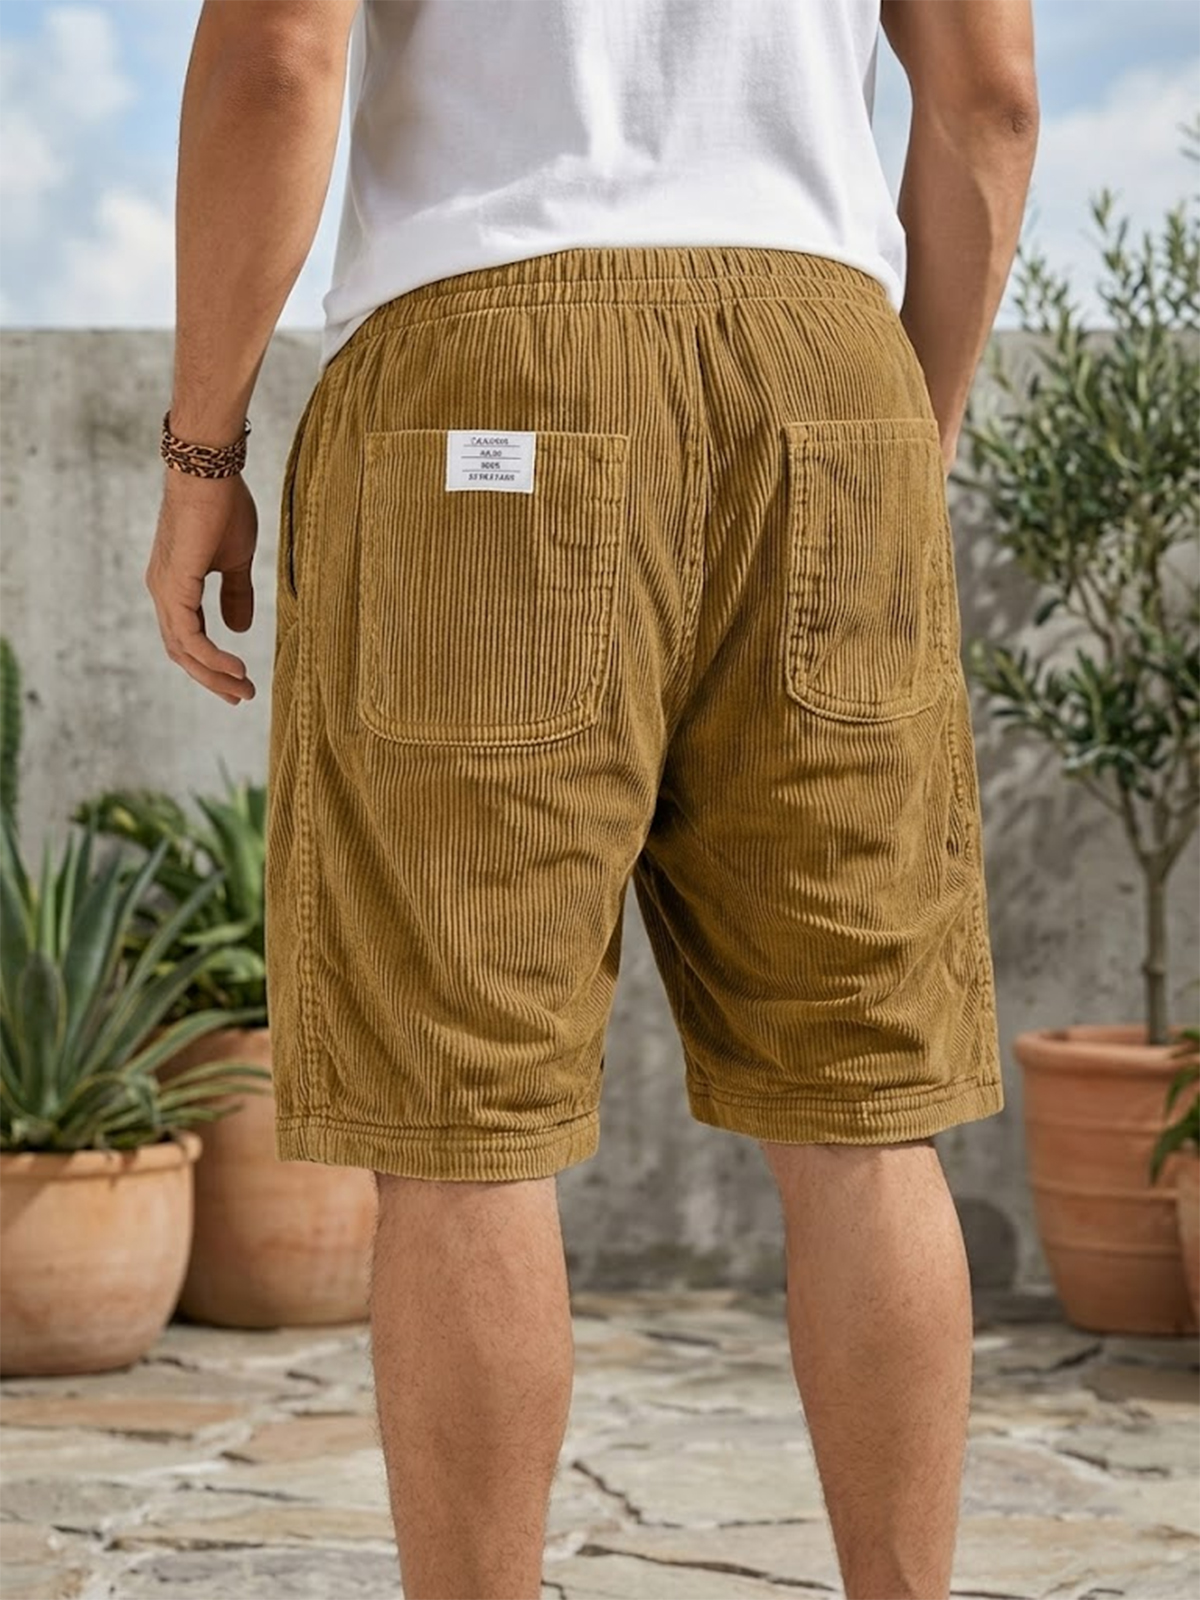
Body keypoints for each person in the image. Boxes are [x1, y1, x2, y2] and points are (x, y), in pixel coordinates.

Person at [145, 2, 1039, 1595]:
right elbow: (990, 99)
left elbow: (278, 54)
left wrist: (200, 455)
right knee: (860, 1101)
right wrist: (913, 426)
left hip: (485, 361)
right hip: (827, 366)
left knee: (465, 1114)